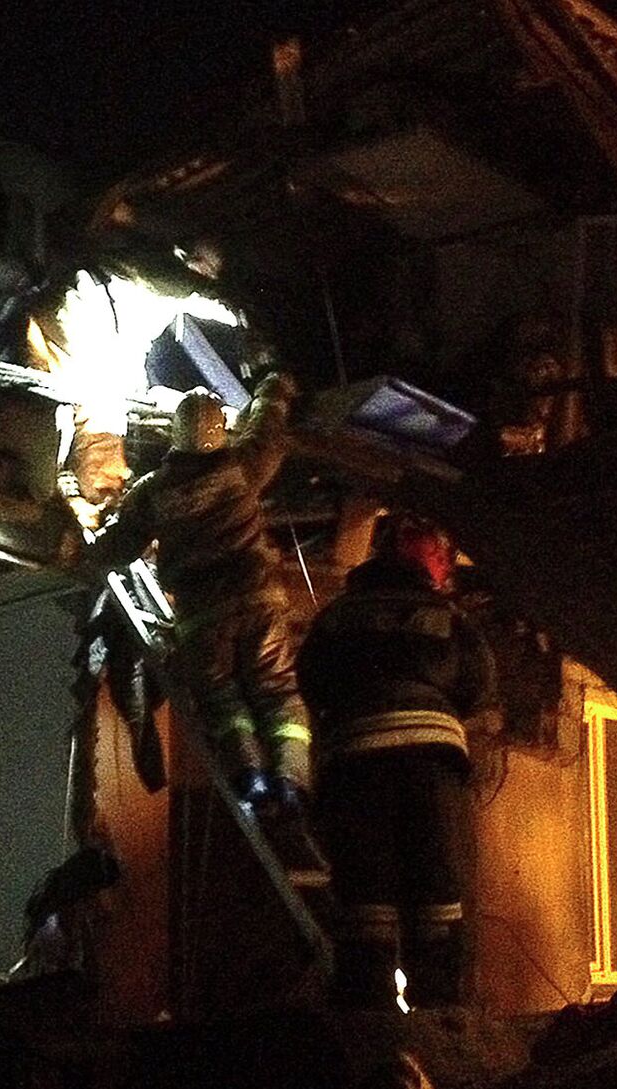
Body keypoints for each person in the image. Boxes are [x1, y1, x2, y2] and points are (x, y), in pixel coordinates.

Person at [92, 377, 324, 876]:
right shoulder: (242, 468)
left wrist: (75, 551)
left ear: (175, 435)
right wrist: (275, 393)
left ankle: (252, 783)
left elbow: (114, 548)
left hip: (203, 620)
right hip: (259, 605)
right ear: (220, 434)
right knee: (280, 698)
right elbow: (268, 432)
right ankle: (290, 789)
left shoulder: (153, 493)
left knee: (226, 705)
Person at [297, 513, 496, 1011]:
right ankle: (440, 1035)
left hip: (355, 768)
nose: (447, 565)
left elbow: (312, 681)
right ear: (422, 559)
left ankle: (372, 1038)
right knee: (438, 903)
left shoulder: (336, 617)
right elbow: (479, 686)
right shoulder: (452, 621)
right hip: (433, 769)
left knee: (367, 907)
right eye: (442, 554)